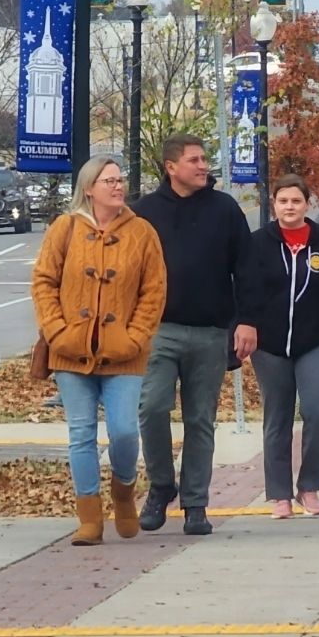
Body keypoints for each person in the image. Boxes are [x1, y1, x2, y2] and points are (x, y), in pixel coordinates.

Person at [31, 156, 166, 545]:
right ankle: (89, 517)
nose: (118, 186)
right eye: (109, 181)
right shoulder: (65, 228)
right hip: (70, 352)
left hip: (124, 354)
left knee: (124, 431)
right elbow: (43, 281)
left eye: (120, 180)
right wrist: (57, 331)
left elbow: (154, 290)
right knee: (81, 434)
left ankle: (123, 490)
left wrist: (135, 337)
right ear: (89, 188)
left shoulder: (142, 233)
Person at [133, 134, 254, 537]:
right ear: (171, 167)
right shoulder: (144, 213)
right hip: (159, 330)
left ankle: (196, 504)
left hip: (211, 332)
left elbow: (247, 269)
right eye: (194, 160)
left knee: (200, 419)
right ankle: (161, 486)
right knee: (151, 408)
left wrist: (246, 320)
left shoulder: (224, 209)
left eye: (204, 159)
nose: (204, 166)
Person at [237, 175, 319, 519]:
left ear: (307, 204)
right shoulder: (257, 243)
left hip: (316, 342)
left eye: (296, 201)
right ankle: (279, 493)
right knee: (277, 417)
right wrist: (242, 329)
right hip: (270, 344)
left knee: (318, 411)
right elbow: (244, 292)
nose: (289, 207)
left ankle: (309, 486)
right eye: (283, 201)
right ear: (274, 204)